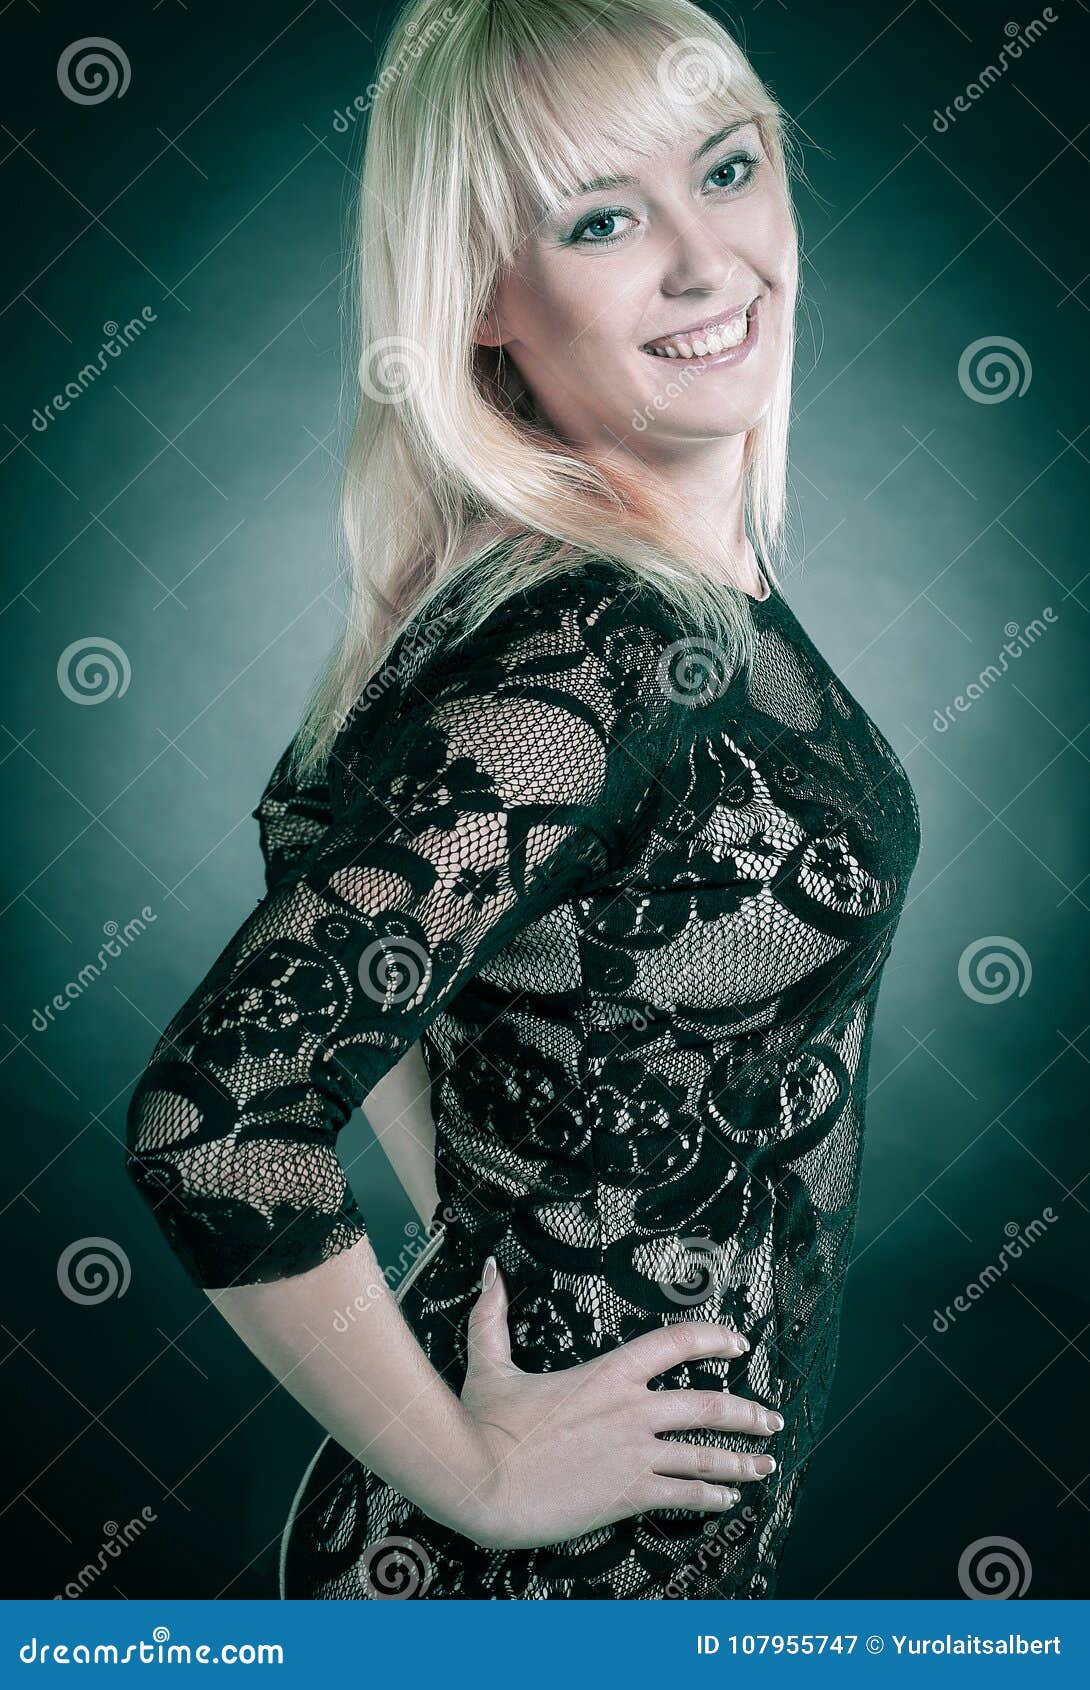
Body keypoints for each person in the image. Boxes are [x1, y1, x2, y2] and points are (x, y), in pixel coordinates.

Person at [124, 0, 921, 1600]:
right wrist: (480, 1471)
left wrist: (497, 1213)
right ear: (485, 294)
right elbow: (218, 1124)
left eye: (727, 166)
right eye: (604, 218)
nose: (706, 264)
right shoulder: (608, 646)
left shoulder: (629, 597)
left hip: (640, 1563)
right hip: (521, 1587)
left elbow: (364, 893)